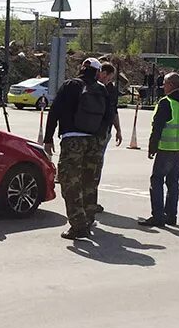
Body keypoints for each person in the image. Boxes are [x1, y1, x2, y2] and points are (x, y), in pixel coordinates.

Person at [43, 57, 113, 241]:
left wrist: (48, 138)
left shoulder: (70, 85)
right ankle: (88, 219)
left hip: (72, 139)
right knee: (90, 181)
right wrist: (99, 137)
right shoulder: (101, 89)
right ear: (98, 72)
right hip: (94, 141)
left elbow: (55, 111)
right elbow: (109, 116)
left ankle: (78, 225)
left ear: (82, 68)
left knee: (69, 182)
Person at [138, 72, 179, 228]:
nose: (162, 86)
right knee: (173, 181)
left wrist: (152, 147)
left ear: (171, 85)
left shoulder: (167, 102)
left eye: (164, 83)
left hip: (167, 147)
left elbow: (157, 127)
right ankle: (171, 215)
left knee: (156, 180)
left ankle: (157, 216)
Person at [92, 62, 125, 213]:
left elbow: (113, 111)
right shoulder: (98, 87)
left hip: (101, 132)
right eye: (110, 77)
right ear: (103, 73)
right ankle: (89, 201)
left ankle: (91, 200)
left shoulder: (107, 89)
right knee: (92, 167)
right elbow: (112, 111)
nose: (110, 80)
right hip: (96, 132)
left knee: (95, 167)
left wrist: (118, 129)